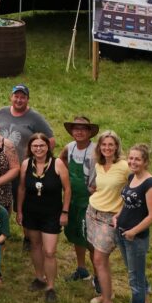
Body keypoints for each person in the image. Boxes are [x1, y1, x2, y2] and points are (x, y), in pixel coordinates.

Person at [109, 144, 152, 303]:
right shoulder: (132, 177)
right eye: (130, 158)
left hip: (135, 238)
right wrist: (117, 216)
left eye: (137, 159)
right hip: (122, 232)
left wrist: (134, 231)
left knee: (134, 277)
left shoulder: (151, 185)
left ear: (145, 161)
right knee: (135, 271)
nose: (132, 162)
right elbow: (127, 202)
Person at [17, 133, 70, 303]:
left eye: (42, 146)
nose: (38, 149)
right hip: (31, 212)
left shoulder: (58, 164)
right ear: (30, 148)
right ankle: (39, 278)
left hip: (51, 214)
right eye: (35, 146)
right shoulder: (26, 164)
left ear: (48, 147)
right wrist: (19, 211)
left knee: (49, 251)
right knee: (35, 245)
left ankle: (51, 286)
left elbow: (67, 190)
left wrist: (65, 212)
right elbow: (22, 189)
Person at [87, 130, 130, 303]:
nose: (107, 148)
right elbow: (95, 187)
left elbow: (137, 190)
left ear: (116, 146)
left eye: (110, 145)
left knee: (99, 259)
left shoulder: (125, 166)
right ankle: (107, 293)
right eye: (104, 145)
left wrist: (122, 212)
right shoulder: (98, 164)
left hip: (110, 218)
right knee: (98, 259)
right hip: (92, 213)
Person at [60, 116, 98, 283]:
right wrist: (65, 175)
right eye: (76, 128)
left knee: (90, 240)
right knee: (76, 234)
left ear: (89, 132)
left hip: (90, 200)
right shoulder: (70, 147)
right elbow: (60, 159)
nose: (79, 131)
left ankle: (98, 277)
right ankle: (82, 269)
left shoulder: (96, 150)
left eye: (83, 128)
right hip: (72, 198)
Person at [0, 84, 55, 157]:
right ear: (11, 97)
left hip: (22, 166)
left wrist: (40, 159)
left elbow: (51, 140)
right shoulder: (1, 112)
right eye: (16, 97)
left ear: (28, 99)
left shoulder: (35, 118)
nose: (19, 100)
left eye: (23, 97)